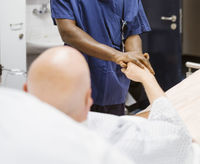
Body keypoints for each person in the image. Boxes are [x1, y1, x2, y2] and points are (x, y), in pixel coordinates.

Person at [24, 46, 199, 164]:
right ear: (88, 99)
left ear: (25, 91)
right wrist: (146, 77)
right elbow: (178, 139)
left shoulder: (13, 133)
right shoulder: (116, 138)